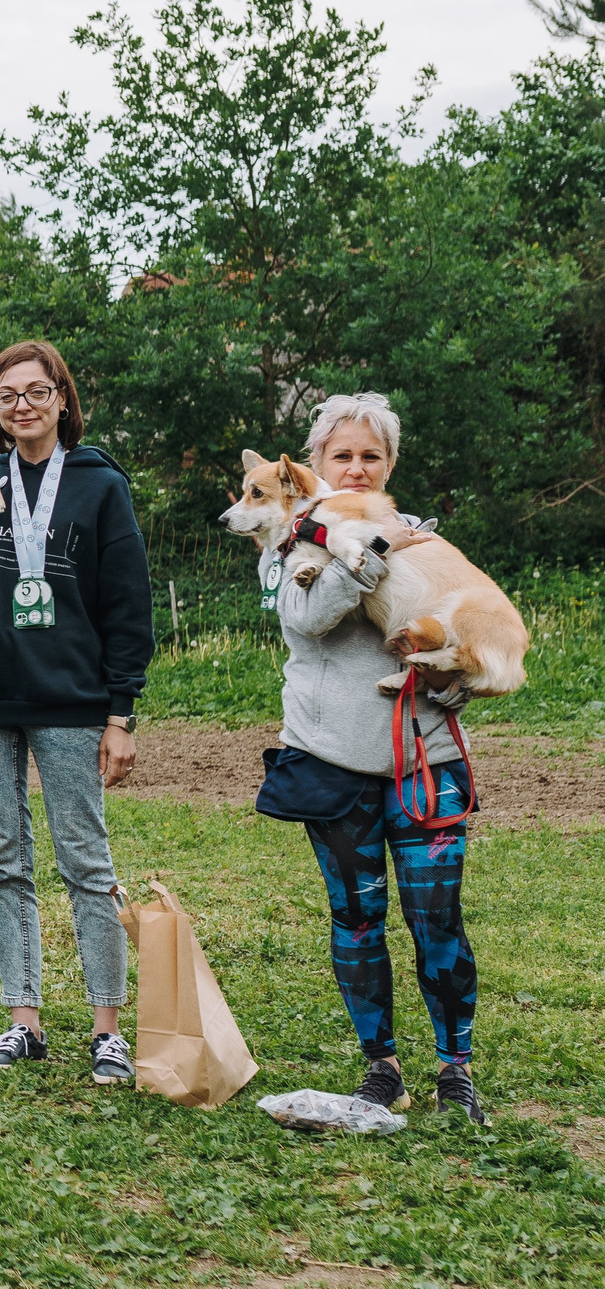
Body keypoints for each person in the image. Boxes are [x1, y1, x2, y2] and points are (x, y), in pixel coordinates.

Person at [0, 340, 152, 1085]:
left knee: (86, 861)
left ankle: (107, 1028)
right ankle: (24, 1020)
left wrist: (121, 713)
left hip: (73, 697)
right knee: (1, 859)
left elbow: (126, 603)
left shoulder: (99, 484)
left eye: (36, 392)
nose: (22, 406)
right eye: (7, 396)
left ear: (62, 400)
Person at [256, 392, 485, 1122]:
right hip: (331, 763)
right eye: (341, 456)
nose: (356, 468)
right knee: (356, 918)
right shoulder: (287, 544)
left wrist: (458, 682)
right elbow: (312, 617)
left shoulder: (428, 542)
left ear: (390, 464)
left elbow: (467, 629)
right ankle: (380, 1067)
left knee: (437, 918)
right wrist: (372, 550)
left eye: (371, 456)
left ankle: (457, 1069)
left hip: (427, 761)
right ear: (313, 465)